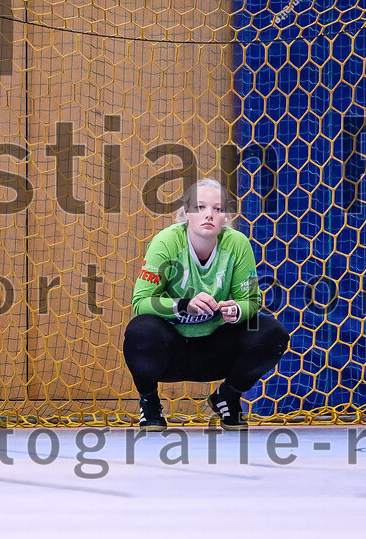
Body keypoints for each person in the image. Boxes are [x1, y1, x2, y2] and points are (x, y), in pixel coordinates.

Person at [123, 179, 289, 431]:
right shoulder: (166, 242)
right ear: (185, 213)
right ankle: (150, 402)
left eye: (217, 209)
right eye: (200, 207)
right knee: (140, 330)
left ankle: (228, 396)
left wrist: (236, 310)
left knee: (270, 332)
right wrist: (182, 305)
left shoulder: (238, 244)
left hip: (217, 350)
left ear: (225, 217)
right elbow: (140, 302)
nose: (209, 215)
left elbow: (253, 301)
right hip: (173, 350)